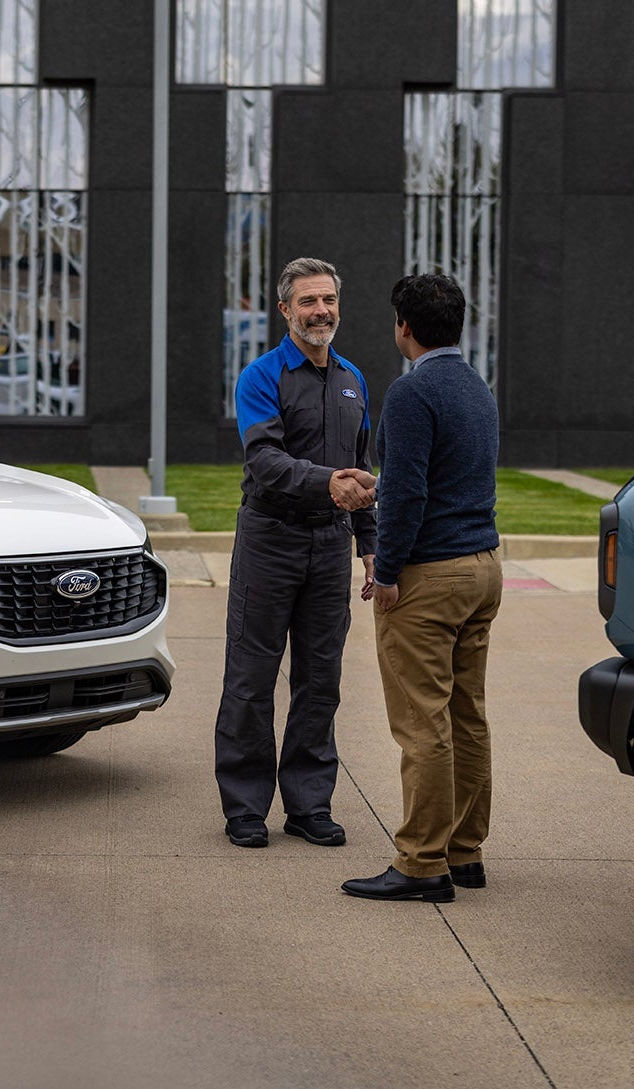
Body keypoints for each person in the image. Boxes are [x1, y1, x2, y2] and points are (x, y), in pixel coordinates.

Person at [341, 273, 502, 903]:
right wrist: (380, 483)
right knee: (467, 716)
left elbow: (411, 495)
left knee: (422, 724)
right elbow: (445, 476)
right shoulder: (475, 387)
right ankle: (464, 852)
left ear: (403, 327)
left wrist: (385, 572)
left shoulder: (411, 392)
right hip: (482, 568)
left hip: (431, 576)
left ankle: (420, 863)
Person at [215, 257, 379, 849]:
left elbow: (362, 469)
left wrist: (369, 545)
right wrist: (326, 482)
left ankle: (309, 805)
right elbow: (263, 459)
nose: (320, 311)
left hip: (330, 546)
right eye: (308, 301)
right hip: (270, 541)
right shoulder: (261, 376)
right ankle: (245, 806)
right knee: (251, 677)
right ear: (285, 309)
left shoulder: (353, 379)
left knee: (321, 679)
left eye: (328, 299)